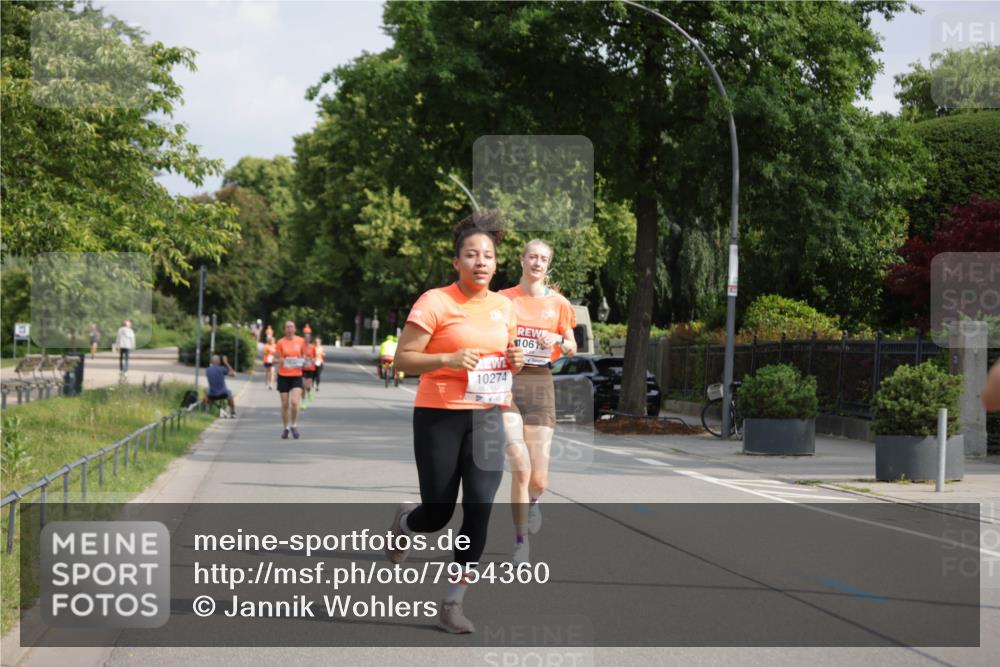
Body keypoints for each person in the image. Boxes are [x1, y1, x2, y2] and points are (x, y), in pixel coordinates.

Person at [386, 211, 524, 634]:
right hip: (438, 415)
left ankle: (452, 602)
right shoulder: (435, 302)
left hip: (487, 416)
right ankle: (407, 522)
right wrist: (446, 358)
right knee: (439, 512)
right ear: (456, 263)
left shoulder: (505, 307)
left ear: (496, 263)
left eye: (488, 255)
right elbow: (402, 361)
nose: (481, 261)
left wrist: (514, 362)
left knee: (479, 510)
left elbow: (508, 359)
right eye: (471, 254)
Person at [499, 240, 577, 564]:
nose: (538, 262)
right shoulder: (503, 300)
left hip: (541, 384)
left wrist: (559, 339)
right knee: (520, 465)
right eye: (533, 256)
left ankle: (534, 502)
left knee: (539, 479)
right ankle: (521, 542)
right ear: (522, 260)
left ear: (549, 265)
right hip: (507, 382)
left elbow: (573, 347)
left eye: (544, 258)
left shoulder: (559, 304)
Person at [273, 320, 307, 439]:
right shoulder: (280, 342)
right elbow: (275, 359)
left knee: (294, 402)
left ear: (295, 329)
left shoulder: (301, 341)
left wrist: (304, 362)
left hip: (297, 375)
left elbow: (305, 356)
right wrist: (282, 360)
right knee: (285, 404)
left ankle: (294, 425)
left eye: (291, 327)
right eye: (287, 327)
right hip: (283, 375)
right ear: (284, 330)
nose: (289, 329)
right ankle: (286, 428)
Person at [301, 332, 318, 408]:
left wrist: (312, 360)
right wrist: (303, 359)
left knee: (308, 386)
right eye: (306, 337)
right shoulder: (301, 347)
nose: (307, 339)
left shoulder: (312, 347)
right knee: (303, 386)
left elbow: (315, 357)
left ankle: (309, 392)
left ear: (310, 339)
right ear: (304, 338)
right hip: (302, 368)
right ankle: (303, 403)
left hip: (310, 369)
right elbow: (298, 355)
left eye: (308, 338)